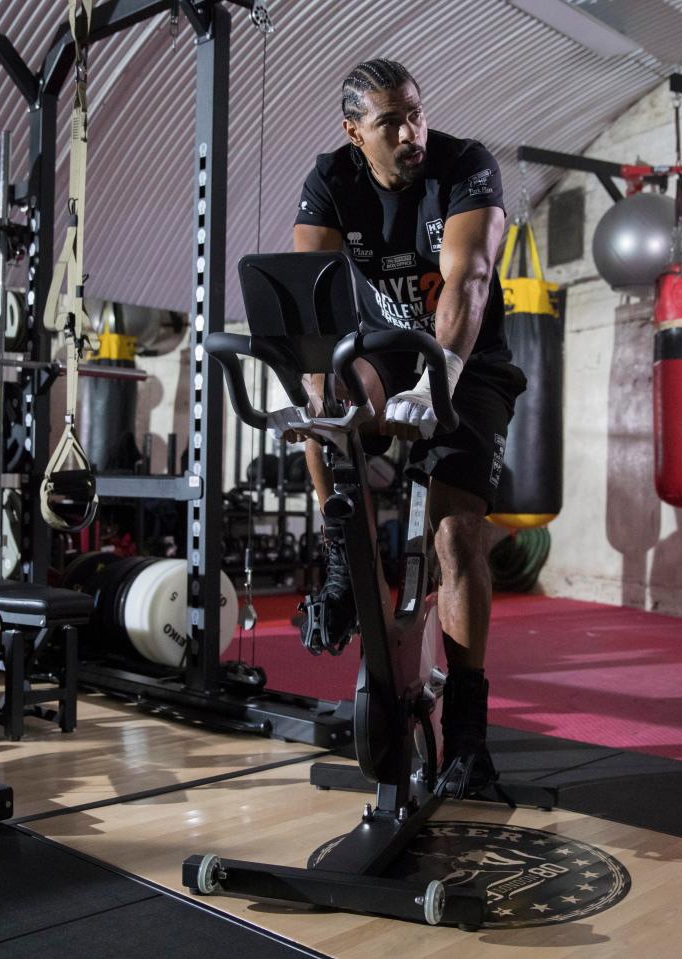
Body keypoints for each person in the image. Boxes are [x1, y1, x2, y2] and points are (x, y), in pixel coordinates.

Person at [280, 58, 526, 798]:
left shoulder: (464, 167)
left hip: (468, 362)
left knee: (453, 539)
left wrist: (440, 374)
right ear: (355, 131)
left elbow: (469, 280)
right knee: (322, 390)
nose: (411, 131)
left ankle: (470, 738)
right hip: (384, 351)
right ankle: (335, 556)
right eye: (390, 121)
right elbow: (310, 306)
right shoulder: (331, 179)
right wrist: (321, 384)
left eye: (415, 113)